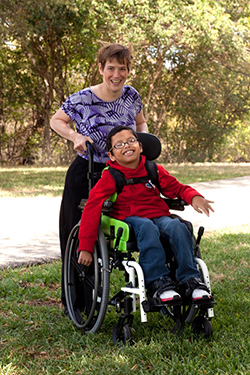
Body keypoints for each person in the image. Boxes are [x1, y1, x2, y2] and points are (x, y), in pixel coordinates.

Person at [50, 43, 148, 310]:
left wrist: (144, 143)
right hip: (87, 171)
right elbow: (56, 121)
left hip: (123, 173)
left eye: (122, 69)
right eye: (111, 68)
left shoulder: (131, 96)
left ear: (128, 70)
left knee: (122, 232)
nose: (117, 75)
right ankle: (79, 301)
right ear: (101, 68)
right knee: (79, 232)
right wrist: (75, 136)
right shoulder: (82, 98)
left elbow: (140, 123)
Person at [78, 126, 215, 305]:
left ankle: (190, 280)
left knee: (178, 226)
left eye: (131, 141)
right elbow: (92, 206)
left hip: (158, 216)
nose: (126, 145)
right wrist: (86, 246)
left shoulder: (153, 170)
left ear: (140, 146)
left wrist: (194, 197)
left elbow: (178, 188)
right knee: (146, 226)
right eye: (119, 144)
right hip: (129, 219)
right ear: (111, 155)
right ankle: (156, 281)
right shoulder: (110, 176)